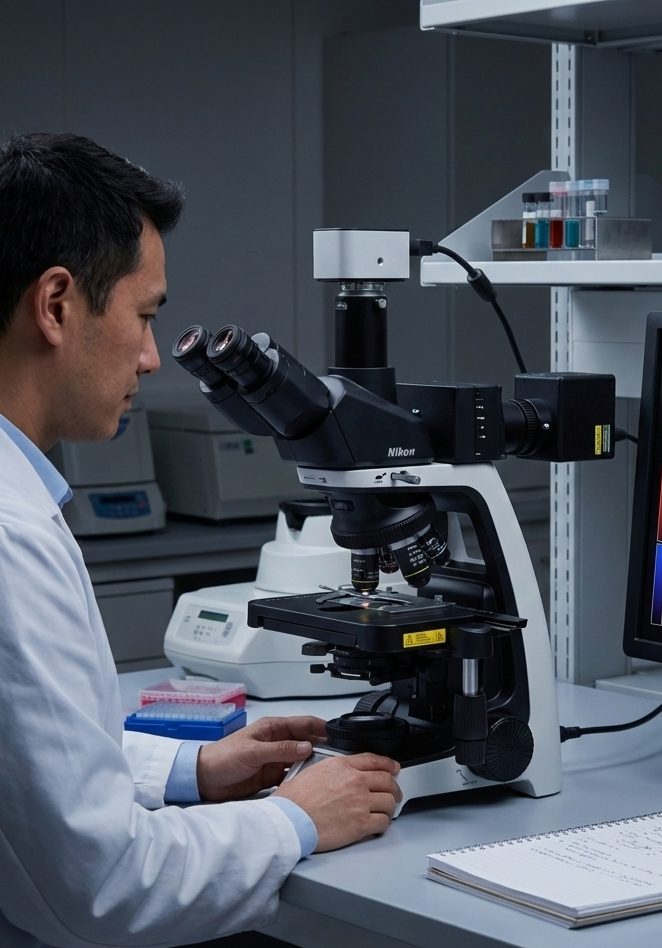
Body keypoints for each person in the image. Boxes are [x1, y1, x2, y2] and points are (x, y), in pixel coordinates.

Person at [0, 132, 403, 948]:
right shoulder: (11, 543)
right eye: (145, 317)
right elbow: (106, 886)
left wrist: (187, 769)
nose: (152, 357)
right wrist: (293, 820)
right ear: (55, 305)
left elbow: (29, 773)